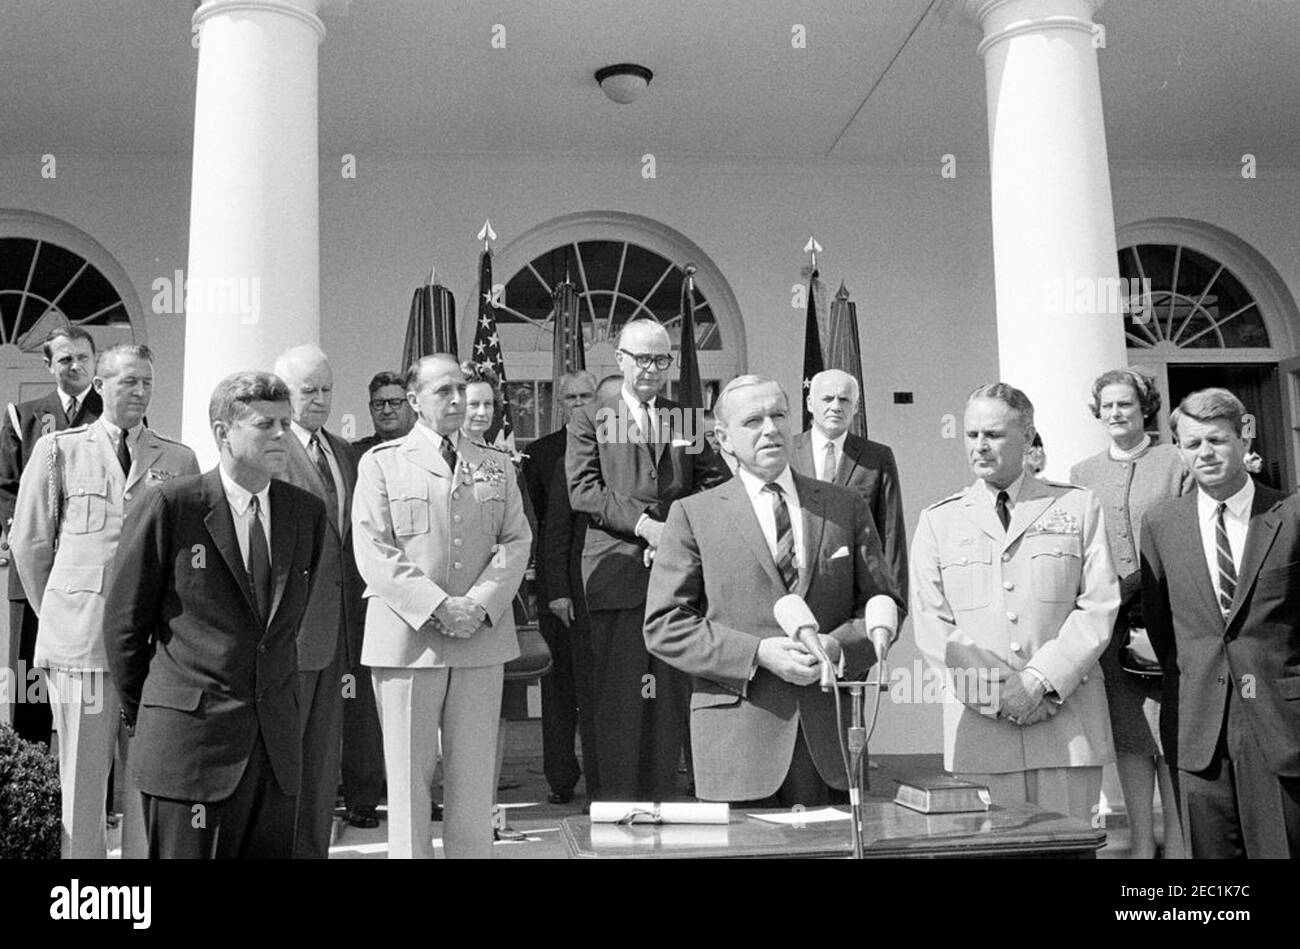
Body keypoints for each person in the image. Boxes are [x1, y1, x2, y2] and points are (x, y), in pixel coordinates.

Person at [645, 375, 902, 805]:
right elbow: (664, 626)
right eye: (753, 420)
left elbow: (883, 602)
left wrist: (836, 648)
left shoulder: (844, 505)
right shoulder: (693, 515)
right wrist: (758, 654)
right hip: (737, 742)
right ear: (723, 438)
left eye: (779, 415)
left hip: (829, 740)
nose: (770, 429)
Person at [102, 372, 327, 859]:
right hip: (190, 753)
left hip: (275, 754)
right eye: (265, 424)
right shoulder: (171, 505)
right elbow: (124, 625)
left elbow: (283, 628)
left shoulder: (304, 512)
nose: (281, 435)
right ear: (223, 432)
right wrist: (162, 712)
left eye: (285, 424)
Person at [10, 344, 197, 858]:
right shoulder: (59, 451)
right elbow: (30, 545)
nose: (139, 392)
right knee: (82, 782)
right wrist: (62, 614)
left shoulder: (178, 459)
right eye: (127, 382)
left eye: (147, 383)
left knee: (148, 780)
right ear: (101, 385)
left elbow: (186, 554)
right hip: (82, 647)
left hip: (156, 651)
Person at [910, 383, 1118, 822]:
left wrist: (1038, 681)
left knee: (1068, 851)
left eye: (994, 435)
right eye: (971, 435)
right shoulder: (939, 520)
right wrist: (999, 694)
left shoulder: (1078, 507)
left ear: (1027, 437)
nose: (980, 447)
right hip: (983, 733)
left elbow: (1098, 606)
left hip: (1066, 724)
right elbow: (932, 624)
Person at [352, 354, 531, 859]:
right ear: (413, 401)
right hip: (407, 641)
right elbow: (374, 550)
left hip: (479, 637)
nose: (456, 400)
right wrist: (437, 607)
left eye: (461, 389)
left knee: (473, 777)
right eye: (442, 392)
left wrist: (477, 604)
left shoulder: (495, 464)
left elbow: (516, 541)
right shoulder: (382, 463)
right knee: (408, 780)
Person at [565, 319, 730, 801]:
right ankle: (616, 812)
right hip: (615, 578)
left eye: (662, 360)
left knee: (667, 702)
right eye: (642, 359)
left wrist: (676, 534)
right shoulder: (589, 419)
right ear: (619, 359)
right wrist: (646, 527)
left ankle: (662, 805)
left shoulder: (686, 420)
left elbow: (713, 483)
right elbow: (585, 492)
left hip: (676, 582)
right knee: (617, 702)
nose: (652, 369)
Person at [1141, 387, 1300, 858]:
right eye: (1193, 445)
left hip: (1279, 725)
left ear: (1243, 434)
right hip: (1198, 730)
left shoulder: (1291, 515)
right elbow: (1160, 626)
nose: (1205, 454)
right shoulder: (1162, 523)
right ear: (1179, 450)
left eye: (1216, 440)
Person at [1070, 368, 1188, 859]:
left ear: (1145, 409)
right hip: (1111, 627)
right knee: (1130, 735)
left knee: (1172, 735)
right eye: (1108, 406)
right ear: (1098, 413)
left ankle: (1180, 843)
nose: (1117, 413)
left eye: (1126, 405)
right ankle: (1141, 841)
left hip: (1169, 619)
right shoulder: (1082, 473)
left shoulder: (1174, 462)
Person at [271, 345, 367, 850]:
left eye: (327, 389)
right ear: (285, 392)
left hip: (337, 631)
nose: (321, 399)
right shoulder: (272, 448)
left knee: (322, 759)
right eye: (309, 391)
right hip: (288, 631)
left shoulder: (344, 451)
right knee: (284, 756)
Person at [1, 326, 102, 746]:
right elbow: (5, 487)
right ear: (48, 365)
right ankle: (37, 795)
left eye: (82, 357)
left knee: (95, 694)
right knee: (30, 684)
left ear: (95, 363)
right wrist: (16, 536)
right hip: (34, 576)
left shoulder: (112, 417)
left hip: (91, 577)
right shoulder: (23, 416)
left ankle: (94, 802)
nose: (74, 366)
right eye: (64, 359)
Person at [461, 364, 533, 838]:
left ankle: (483, 803)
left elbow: (518, 534)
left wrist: (485, 598)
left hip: (493, 607)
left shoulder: (500, 461)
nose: (483, 413)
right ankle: (454, 803)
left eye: (490, 404)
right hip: (442, 611)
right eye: (473, 404)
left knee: (498, 708)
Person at [521, 369, 597, 804]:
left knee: (601, 692)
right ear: (559, 402)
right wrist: (554, 591)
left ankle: (605, 777)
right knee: (560, 692)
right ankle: (561, 779)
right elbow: (542, 527)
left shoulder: (614, 446)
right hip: (560, 592)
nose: (579, 402)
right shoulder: (541, 453)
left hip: (604, 589)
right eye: (570, 396)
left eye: (587, 394)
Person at [792, 368, 908, 602]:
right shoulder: (787, 454)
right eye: (827, 398)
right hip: (797, 589)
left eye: (844, 399)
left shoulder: (876, 458)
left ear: (855, 408)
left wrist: (894, 605)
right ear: (810, 403)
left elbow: (891, 533)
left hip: (856, 592)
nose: (836, 406)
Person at [353, 371, 415, 454]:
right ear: (371, 409)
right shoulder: (352, 455)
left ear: (411, 406)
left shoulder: (429, 450)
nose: (386, 411)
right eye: (379, 404)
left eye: (395, 403)